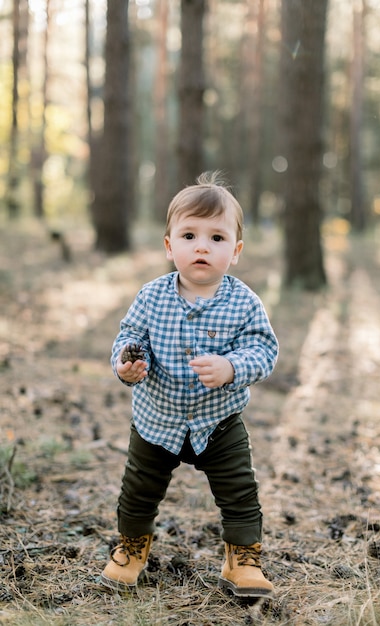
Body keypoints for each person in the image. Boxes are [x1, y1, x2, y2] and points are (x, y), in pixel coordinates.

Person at [101, 172, 279, 598]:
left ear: (235, 252)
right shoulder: (151, 296)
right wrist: (126, 363)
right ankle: (131, 547)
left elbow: (264, 350)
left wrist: (232, 367)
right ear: (169, 246)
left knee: (239, 489)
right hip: (156, 419)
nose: (202, 246)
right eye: (189, 235)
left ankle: (242, 558)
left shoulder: (244, 302)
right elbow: (130, 338)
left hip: (218, 421)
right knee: (139, 489)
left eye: (217, 238)